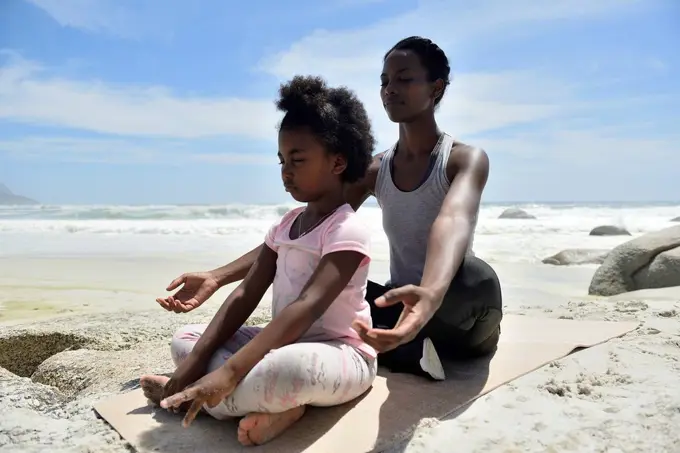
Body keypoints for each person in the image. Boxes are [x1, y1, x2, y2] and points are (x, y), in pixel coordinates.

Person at [157, 36, 503, 381]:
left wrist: (429, 293)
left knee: (475, 276)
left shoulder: (463, 159)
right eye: (384, 81)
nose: (390, 89)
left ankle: (411, 349)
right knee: (330, 280)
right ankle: (403, 350)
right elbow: (306, 233)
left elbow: (452, 219)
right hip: (399, 307)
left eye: (404, 79)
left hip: (456, 310)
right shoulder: (377, 168)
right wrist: (217, 277)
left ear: (436, 88)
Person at [141, 75, 378, 446]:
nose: (286, 171)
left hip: (341, 352)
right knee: (185, 340)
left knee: (289, 371)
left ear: (338, 162)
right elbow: (245, 294)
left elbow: (307, 306)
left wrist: (231, 370)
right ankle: (265, 406)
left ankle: (207, 397)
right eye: (282, 159)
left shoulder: (347, 230)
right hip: (280, 344)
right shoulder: (285, 226)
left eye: (298, 160)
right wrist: (197, 360)